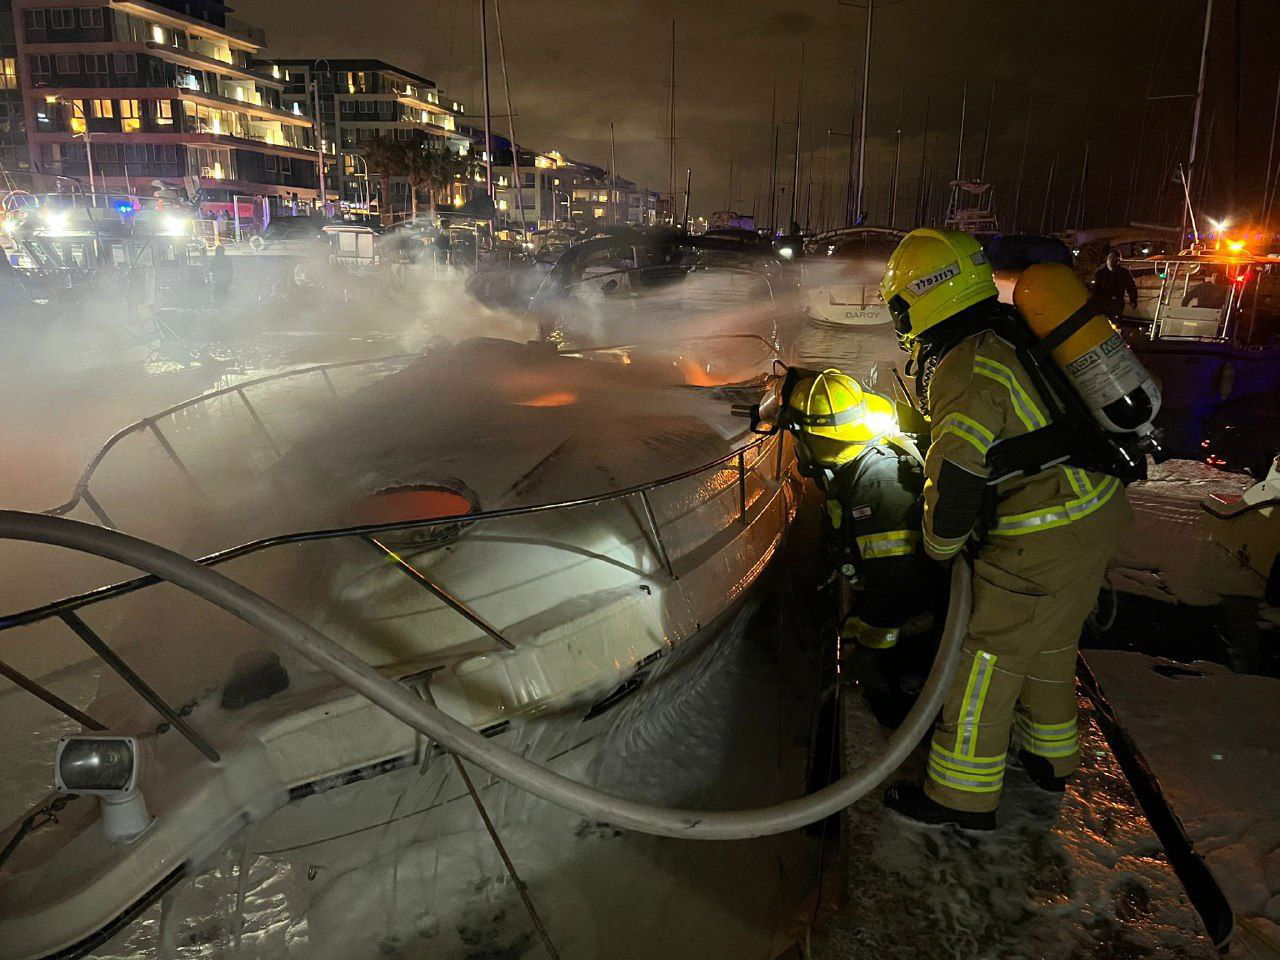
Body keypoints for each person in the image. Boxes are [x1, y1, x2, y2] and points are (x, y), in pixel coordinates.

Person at [878, 227, 1132, 831]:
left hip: (1043, 531)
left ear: (919, 296)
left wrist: (939, 548)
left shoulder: (965, 361)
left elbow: (958, 470)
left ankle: (959, 798)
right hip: (1094, 510)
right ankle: (1052, 757)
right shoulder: (1006, 330)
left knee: (985, 659)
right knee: (1048, 642)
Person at [783, 368, 937, 717]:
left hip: (907, 639)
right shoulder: (861, 464)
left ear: (819, 440)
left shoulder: (878, 488)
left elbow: (894, 585)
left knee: (889, 706)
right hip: (898, 615)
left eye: (801, 436)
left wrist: (860, 649)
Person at [1091, 249, 1138, 322]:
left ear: (1119, 261)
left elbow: (1131, 287)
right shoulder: (1100, 273)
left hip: (1116, 303)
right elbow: (1095, 289)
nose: (1112, 261)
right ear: (1107, 259)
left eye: (1115, 258)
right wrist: (1094, 302)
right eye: (1110, 258)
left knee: (1116, 323)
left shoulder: (1124, 273)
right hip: (1102, 303)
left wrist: (1133, 300)